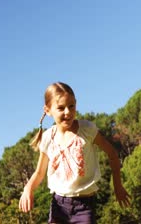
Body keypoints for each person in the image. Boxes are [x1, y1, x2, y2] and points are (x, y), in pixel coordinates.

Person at [19, 82, 131, 223]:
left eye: (71, 106)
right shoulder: (47, 138)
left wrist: (118, 186)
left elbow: (112, 154)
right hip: (58, 205)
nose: (68, 112)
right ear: (48, 110)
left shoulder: (87, 130)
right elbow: (39, 172)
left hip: (84, 206)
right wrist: (28, 188)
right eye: (61, 108)